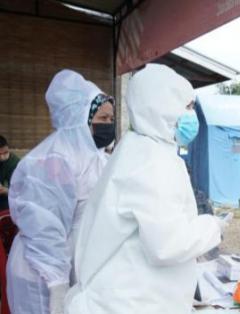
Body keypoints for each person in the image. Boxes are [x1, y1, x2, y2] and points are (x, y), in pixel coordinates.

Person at [65, 64, 225, 314]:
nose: (191, 116)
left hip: (127, 294)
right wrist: (213, 226)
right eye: (187, 107)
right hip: (131, 302)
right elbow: (167, 245)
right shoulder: (153, 162)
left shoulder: (138, 148)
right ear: (162, 108)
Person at [6, 70, 112, 314]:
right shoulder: (54, 159)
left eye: (110, 119)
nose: (109, 125)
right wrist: (57, 285)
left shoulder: (93, 156)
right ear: (79, 116)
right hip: (40, 274)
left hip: (67, 267)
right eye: (103, 118)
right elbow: (44, 227)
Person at [0, 135, 20, 210]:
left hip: (7, 198)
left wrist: (6, 190)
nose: (2, 157)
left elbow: (19, 190)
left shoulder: (14, 163)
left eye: (5, 152)